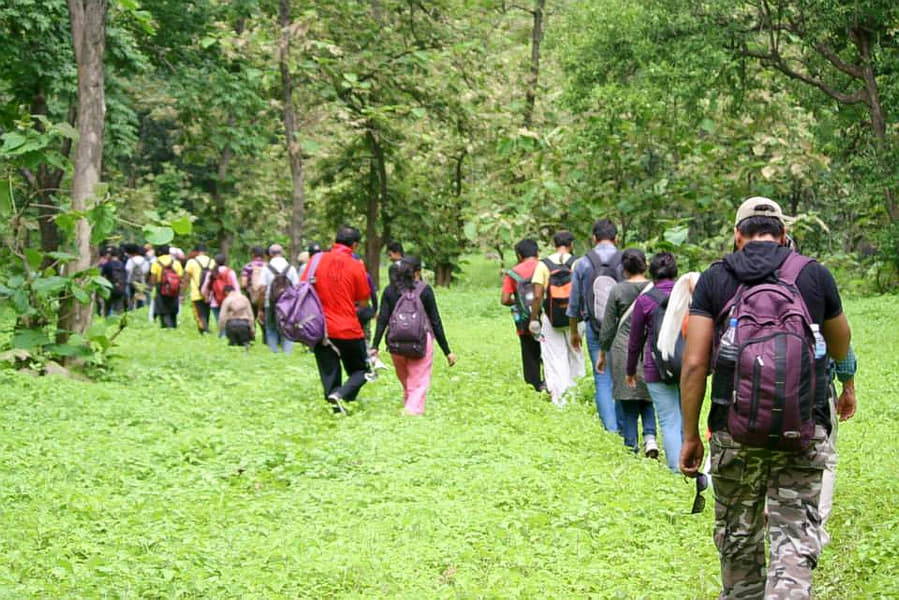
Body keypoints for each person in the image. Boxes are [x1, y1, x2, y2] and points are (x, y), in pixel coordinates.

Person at [680, 196, 854, 599]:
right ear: (784, 234)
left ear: (737, 235)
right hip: (803, 427)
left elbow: (694, 364)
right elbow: (840, 344)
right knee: (794, 536)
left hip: (733, 431)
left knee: (739, 538)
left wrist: (690, 435)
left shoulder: (716, 278)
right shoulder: (814, 274)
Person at [371, 256, 457, 415]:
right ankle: (411, 412)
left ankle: (409, 406)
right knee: (418, 382)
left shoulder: (390, 290)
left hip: (396, 343)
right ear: (417, 272)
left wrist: (375, 346)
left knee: (407, 381)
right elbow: (435, 321)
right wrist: (447, 351)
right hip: (421, 342)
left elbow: (382, 319)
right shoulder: (425, 290)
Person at [302, 226, 372, 413]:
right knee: (362, 370)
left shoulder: (315, 260)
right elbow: (363, 300)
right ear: (354, 245)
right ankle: (341, 395)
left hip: (320, 328)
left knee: (329, 373)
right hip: (348, 328)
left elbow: (303, 287)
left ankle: (335, 407)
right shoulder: (356, 265)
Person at [597, 248, 658, 457]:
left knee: (628, 399)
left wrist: (603, 352)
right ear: (645, 265)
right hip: (649, 347)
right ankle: (650, 437)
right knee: (648, 397)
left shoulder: (617, 290)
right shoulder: (655, 288)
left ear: (624, 268)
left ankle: (631, 446)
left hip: (623, 349)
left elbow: (607, 326)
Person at [626, 251, 682, 473]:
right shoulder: (688, 295)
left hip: (656, 367)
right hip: (688, 365)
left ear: (651, 272)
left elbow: (635, 340)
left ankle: (676, 470)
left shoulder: (645, 300)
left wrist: (630, 370)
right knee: (686, 418)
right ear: (675, 271)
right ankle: (690, 464)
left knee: (669, 420)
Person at [566, 219, 623, 430]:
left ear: (594, 238)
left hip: (593, 327)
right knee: (621, 376)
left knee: (602, 379)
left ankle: (611, 429)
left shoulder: (583, 263)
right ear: (616, 238)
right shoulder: (625, 260)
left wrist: (574, 332)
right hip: (621, 328)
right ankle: (624, 427)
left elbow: (574, 303)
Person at [528, 231, 584, 406]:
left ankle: (559, 399)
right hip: (577, 318)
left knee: (554, 357)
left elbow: (538, 295)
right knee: (576, 354)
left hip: (551, 318)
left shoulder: (543, 265)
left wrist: (534, 318)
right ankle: (578, 395)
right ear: (571, 244)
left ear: (554, 244)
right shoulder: (578, 263)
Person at [500, 238, 544, 392]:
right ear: (537, 252)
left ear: (519, 255)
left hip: (525, 322)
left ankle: (534, 388)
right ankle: (551, 385)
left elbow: (505, 299)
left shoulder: (513, 273)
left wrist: (519, 302)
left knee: (530, 355)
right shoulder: (545, 267)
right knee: (549, 353)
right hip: (546, 318)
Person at [259, 244, 299, 353]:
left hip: (270, 303)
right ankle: (287, 353)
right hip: (288, 304)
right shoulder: (290, 268)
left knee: (271, 328)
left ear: (270, 254)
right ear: (282, 253)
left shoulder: (266, 268)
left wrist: (260, 308)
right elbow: (297, 287)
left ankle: (273, 353)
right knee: (287, 328)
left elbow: (262, 289)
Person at [201, 253, 240, 335]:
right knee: (228, 318)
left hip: (215, 300)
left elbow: (204, 288)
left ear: (215, 261)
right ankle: (228, 334)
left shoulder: (211, 273)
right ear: (225, 261)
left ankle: (223, 334)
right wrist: (238, 298)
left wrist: (206, 297)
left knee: (219, 319)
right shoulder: (230, 272)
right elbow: (236, 287)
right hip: (229, 300)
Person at [149, 244, 183, 329]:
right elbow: (180, 277)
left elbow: (153, 278)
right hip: (174, 287)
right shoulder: (176, 262)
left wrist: (152, 287)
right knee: (173, 306)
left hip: (161, 287)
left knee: (162, 307)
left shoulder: (156, 263)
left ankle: (166, 326)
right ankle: (173, 325)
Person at [184, 245, 215, 334]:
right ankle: (206, 328)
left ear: (196, 252)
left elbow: (186, 278)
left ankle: (204, 330)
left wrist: (182, 292)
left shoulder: (191, 262)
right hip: (209, 292)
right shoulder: (212, 261)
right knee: (206, 311)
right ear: (206, 252)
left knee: (199, 313)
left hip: (196, 292)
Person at [240, 246, 268, 319]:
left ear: (253, 255)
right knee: (266, 321)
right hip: (266, 297)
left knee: (250, 319)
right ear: (264, 255)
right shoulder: (269, 266)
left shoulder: (248, 266)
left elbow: (243, 284)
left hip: (252, 297)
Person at [100, 247, 127, 316]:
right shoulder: (122, 264)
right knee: (119, 306)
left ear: (109, 255)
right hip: (121, 287)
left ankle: (107, 318)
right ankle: (119, 318)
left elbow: (101, 276)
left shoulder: (107, 264)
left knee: (107, 306)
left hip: (110, 287)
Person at [124, 243, 150, 310]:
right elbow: (146, 271)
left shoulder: (130, 260)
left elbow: (127, 270)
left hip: (131, 281)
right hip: (141, 281)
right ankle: (139, 308)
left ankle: (131, 308)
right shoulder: (145, 260)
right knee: (140, 296)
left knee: (131, 296)